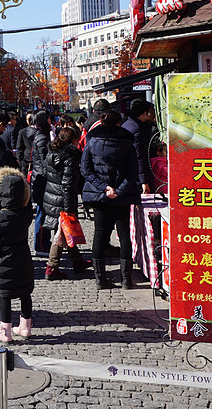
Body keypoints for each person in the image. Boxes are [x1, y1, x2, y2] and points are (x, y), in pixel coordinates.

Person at [81, 110, 141, 290]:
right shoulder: (127, 142)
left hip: (100, 197)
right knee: (124, 237)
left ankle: (100, 279)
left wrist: (104, 188)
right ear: (118, 123)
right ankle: (126, 280)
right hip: (122, 197)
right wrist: (119, 190)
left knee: (100, 234)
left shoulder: (92, 142)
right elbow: (133, 171)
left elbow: (86, 170)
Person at [0, 167, 35, 342]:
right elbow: (28, 202)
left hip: (3, 264)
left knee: (5, 296)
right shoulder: (26, 215)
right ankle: (25, 327)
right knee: (25, 294)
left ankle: (5, 331)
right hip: (23, 261)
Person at [41, 126, 90, 280]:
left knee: (65, 231)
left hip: (51, 197)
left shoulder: (51, 152)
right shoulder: (70, 156)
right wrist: (69, 208)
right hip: (63, 199)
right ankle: (51, 267)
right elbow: (68, 184)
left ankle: (77, 261)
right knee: (60, 233)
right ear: (74, 140)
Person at [28, 111, 53, 254]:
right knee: (43, 212)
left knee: (42, 211)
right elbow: (45, 161)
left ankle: (42, 243)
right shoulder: (42, 138)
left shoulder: (38, 136)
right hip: (42, 178)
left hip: (39, 177)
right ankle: (41, 245)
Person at [121, 99, 157, 195]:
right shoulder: (137, 131)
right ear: (144, 113)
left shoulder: (126, 125)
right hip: (135, 177)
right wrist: (144, 181)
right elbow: (139, 158)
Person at [14, 112, 35, 176]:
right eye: (27, 119)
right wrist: (21, 162)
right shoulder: (22, 132)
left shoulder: (40, 131)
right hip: (26, 163)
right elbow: (19, 147)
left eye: (30, 118)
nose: (29, 121)